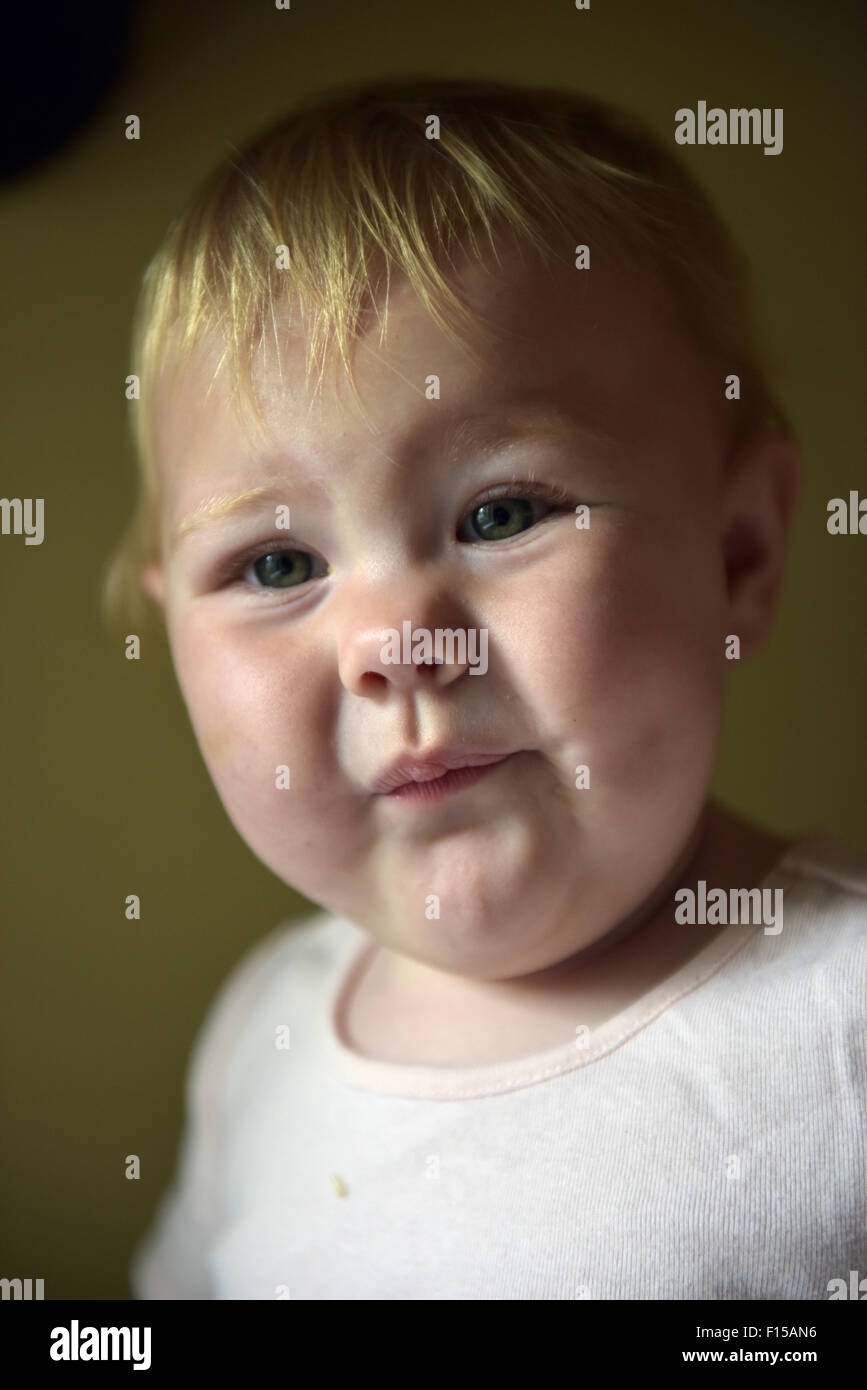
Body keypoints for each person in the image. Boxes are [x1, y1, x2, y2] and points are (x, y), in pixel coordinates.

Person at [105, 77, 866, 1299]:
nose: (393, 642)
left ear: (740, 554)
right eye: (278, 563)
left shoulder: (842, 1022)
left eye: (502, 511)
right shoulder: (262, 1035)